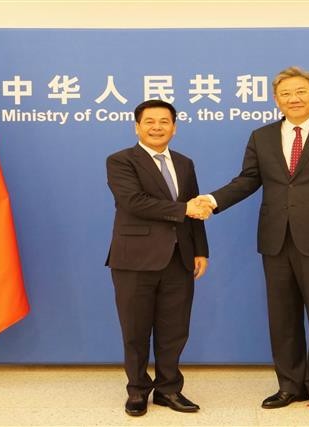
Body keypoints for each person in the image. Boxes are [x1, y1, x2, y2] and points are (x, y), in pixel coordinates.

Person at [195, 66, 309, 414]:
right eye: (286, 93)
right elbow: (247, 180)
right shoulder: (262, 136)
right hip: (275, 239)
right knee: (282, 316)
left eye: (301, 91)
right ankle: (290, 385)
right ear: (276, 100)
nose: (294, 98)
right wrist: (212, 201)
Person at [105, 99, 212, 417]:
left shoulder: (184, 163)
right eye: (149, 121)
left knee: (174, 329)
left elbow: (194, 210)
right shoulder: (121, 161)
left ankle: (169, 390)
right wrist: (183, 209)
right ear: (136, 126)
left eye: (164, 121)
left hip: (179, 258)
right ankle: (137, 390)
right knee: (136, 330)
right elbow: (134, 201)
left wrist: (201, 249)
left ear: (174, 127)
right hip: (134, 259)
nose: (156, 127)